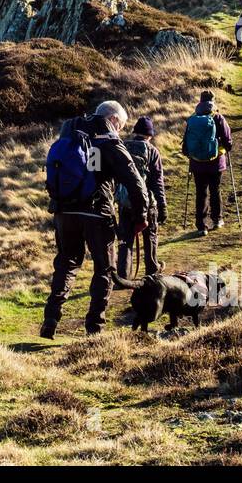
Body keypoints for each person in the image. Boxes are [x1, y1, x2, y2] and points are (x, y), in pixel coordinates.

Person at [41, 100, 147, 339]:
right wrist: (141, 215)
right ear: (114, 120)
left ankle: (50, 319)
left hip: (64, 212)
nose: (119, 131)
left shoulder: (69, 135)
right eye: (120, 126)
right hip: (97, 213)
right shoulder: (109, 141)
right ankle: (94, 327)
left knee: (66, 263)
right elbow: (134, 180)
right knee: (103, 269)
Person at [115, 117, 167, 278]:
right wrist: (162, 205)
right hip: (147, 204)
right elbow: (157, 182)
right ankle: (152, 269)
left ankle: (123, 274)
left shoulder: (122, 148)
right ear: (150, 134)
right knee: (150, 235)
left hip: (125, 202)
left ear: (135, 132)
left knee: (126, 239)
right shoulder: (152, 152)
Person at [180, 90, 233, 235]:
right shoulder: (217, 117)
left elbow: (185, 145)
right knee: (215, 190)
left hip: (197, 163)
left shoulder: (193, 119)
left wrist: (190, 154)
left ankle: (201, 226)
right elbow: (228, 140)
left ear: (200, 101)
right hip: (216, 162)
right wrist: (227, 148)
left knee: (201, 192)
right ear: (213, 101)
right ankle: (217, 220)